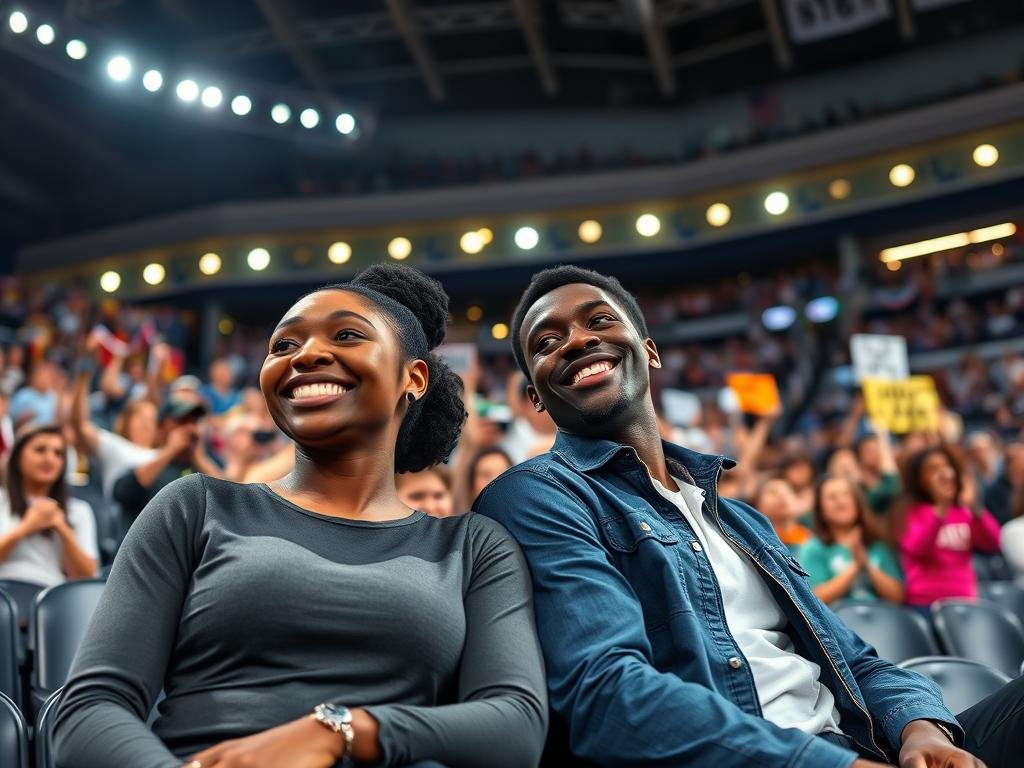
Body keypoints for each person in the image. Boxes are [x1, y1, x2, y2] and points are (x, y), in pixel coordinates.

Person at [474, 264, 1024, 768]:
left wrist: (922, 732)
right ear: (535, 398)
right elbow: (610, 695)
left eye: (598, 320)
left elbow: (857, 660)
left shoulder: (744, 521)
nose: (577, 340)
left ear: (650, 350)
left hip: (863, 746)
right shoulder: (536, 498)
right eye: (548, 342)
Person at [55, 263, 547, 768]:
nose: (307, 354)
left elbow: (515, 726)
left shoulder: (474, 545)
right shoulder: (193, 507)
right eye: (283, 346)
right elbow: (89, 709)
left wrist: (343, 730)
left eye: (348, 335)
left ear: (413, 378)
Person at [894, 446, 1001, 611]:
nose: (943, 473)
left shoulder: (964, 511)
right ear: (919, 478)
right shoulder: (909, 512)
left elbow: (993, 542)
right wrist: (941, 508)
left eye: (946, 466)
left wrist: (974, 505)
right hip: (926, 603)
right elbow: (919, 549)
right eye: (932, 469)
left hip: (965, 600)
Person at [0, 424, 98, 586]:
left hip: (53, 598)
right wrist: (27, 526)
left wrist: (62, 527)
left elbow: (86, 580)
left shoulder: (79, 511)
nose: (49, 459)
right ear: (18, 457)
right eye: (40, 450)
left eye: (58, 453)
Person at [110, 397, 221, 530]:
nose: (190, 428)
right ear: (161, 428)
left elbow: (229, 500)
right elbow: (122, 492)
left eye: (194, 421)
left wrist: (200, 458)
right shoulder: (146, 460)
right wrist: (170, 450)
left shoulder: (204, 464)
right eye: (182, 421)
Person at [801, 476, 903, 604]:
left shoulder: (877, 543)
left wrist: (867, 565)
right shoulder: (813, 548)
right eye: (832, 497)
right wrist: (854, 566)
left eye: (847, 494)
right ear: (820, 508)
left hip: (880, 619)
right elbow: (815, 598)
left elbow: (897, 597)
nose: (841, 502)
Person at [753, 477, 810, 554]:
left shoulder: (810, 539)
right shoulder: (756, 542)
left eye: (788, 491)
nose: (782, 496)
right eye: (773, 492)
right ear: (758, 504)